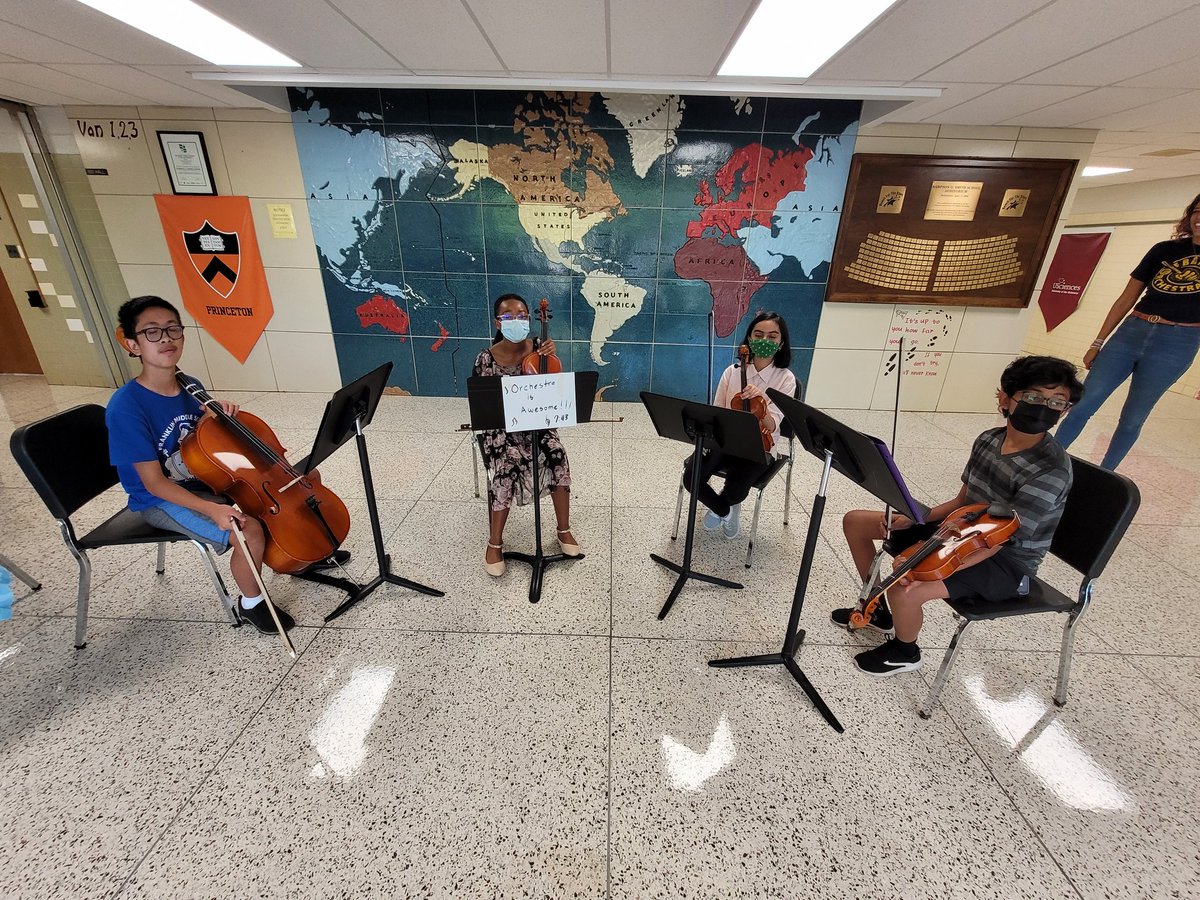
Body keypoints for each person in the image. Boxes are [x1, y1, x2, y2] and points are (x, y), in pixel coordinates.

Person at [105, 296, 345, 634]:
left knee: (292, 485)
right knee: (247, 530)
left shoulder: (191, 386)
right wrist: (211, 509)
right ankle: (251, 603)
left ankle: (297, 554)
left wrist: (221, 417)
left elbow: (210, 446)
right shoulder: (126, 407)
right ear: (132, 343)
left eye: (173, 329)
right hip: (163, 498)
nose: (167, 339)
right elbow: (154, 483)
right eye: (153, 332)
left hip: (208, 479)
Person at [832, 355, 1084, 677]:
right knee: (856, 521)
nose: (1044, 407)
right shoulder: (989, 439)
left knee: (906, 585)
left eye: (1057, 402)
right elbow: (962, 501)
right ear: (1005, 398)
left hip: (1007, 561)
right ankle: (878, 610)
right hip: (962, 528)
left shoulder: (1051, 469)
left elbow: (999, 538)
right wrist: (916, 518)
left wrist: (929, 567)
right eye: (1034, 397)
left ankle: (905, 650)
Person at [1053, 193, 1200, 470]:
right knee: (1084, 403)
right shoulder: (1164, 250)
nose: (1199, 217)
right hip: (1133, 331)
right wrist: (1098, 342)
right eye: (1197, 210)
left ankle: (1106, 474)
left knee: (1133, 418)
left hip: (1178, 342)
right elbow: (1125, 298)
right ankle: (1049, 460)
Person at [474, 293, 579, 577]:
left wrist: (552, 359)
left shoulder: (540, 350)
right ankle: (494, 543)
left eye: (522, 316)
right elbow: (485, 408)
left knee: (557, 455)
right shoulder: (486, 358)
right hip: (502, 429)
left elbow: (555, 396)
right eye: (509, 316)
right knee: (506, 466)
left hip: (539, 424)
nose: (517, 321)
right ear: (498, 321)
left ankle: (563, 529)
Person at [685, 311, 797, 539]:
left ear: (781, 342)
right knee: (691, 477)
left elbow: (774, 425)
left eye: (772, 336)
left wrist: (762, 404)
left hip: (759, 445)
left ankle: (729, 502)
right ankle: (724, 509)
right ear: (749, 339)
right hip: (725, 439)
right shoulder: (732, 372)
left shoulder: (786, 379)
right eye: (758, 334)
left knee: (737, 489)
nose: (764, 341)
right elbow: (716, 411)